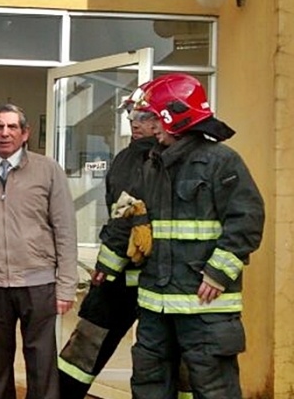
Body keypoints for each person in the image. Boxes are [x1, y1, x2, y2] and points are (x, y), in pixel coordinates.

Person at [130, 73, 264, 398]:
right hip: (155, 306)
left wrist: (218, 273)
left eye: (154, 117)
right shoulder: (153, 163)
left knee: (213, 389)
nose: (150, 125)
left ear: (174, 118)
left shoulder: (221, 161)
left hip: (205, 309)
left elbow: (247, 219)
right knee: (149, 386)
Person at [0, 103, 78, 399]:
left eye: (12, 127)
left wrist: (66, 285)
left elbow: (65, 231)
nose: (4, 133)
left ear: (25, 134)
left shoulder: (48, 170)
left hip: (38, 283)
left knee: (41, 362)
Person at [57, 81, 161, 398]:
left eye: (143, 115)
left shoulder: (175, 159)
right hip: (118, 280)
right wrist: (107, 269)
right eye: (132, 114)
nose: (134, 121)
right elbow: (119, 216)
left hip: (161, 279)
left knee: (160, 358)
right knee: (86, 345)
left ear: (163, 119)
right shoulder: (124, 159)